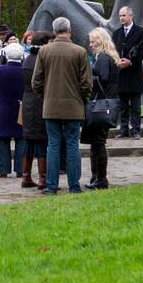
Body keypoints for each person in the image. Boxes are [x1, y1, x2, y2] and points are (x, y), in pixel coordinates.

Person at [32, 16, 92, 195]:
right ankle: (74, 185)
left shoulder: (44, 52)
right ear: (70, 30)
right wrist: (81, 99)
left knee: (53, 145)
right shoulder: (80, 52)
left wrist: (46, 96)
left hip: (51, 106)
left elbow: (36, 82)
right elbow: (87, 83)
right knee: (72, 145)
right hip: (74, 106)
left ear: (54, 31)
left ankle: (51, 185)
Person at [83, 26, 119, 189]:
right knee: (97, 142)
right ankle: (96, 176)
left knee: (98, 143)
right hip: (105, 103)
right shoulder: (108, 57)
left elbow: (102, 80)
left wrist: (89, 76)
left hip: (100, 105)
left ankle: (100, 178)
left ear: (100, 41)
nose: (90, 45)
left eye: (92, 42)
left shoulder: (103, 58)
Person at [21, 31, 52, 189]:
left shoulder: (26, 60)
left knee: (28, 139)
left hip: (27, 102)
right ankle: (43, 178)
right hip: (40, 102)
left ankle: (26, 176)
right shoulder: (43, 61)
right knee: (41, 139)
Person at [111, 5, 143, 139]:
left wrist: (131, 62)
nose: (121, 18)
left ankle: (136, 130)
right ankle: (123, 130)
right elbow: (113, 51)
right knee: (122, 106)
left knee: (135, 106)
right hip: (121, 75)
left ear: (131, 16)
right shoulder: (116, 33)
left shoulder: (140, 32)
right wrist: (117, 61)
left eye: (124, 15)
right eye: (120, 15)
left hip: (134, 74)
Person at [0, 43, 25, 178]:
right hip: (20, 106)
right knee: (20, 138)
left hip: (3, 106)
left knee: (3, 139)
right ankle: (20, 169)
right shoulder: (24, 69)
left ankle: (3, 170)